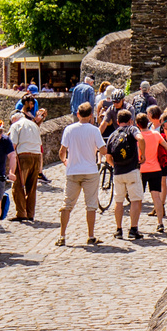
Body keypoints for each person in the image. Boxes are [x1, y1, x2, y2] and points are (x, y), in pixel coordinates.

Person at [57, 102, 107, 247]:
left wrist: (65, 161)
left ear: (78, 114)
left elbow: (62, 150)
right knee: (91, 205)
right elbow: (103, 150)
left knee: (67, 204)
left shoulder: (69, 129)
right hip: (90, 171)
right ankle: (91, 235)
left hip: (73, 171)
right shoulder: (94, 131)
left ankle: (62, 235)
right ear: (91, 115)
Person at [106, 109, 147, 239]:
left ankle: (118, 230)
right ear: (131, 120)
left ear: (117, 122)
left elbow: (108, 157)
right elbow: (140, 138)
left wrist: (115, 165)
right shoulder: (132, 129)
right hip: (132, 170)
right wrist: (143, 154)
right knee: (136, 200)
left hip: (118, 172)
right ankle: (133, 229)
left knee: (119, 201)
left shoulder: (113, 135)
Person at [138, 105, 167, 233]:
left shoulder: (138, 137)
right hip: (156, 168)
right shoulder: (156, 134)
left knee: (138, 198)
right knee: (156, 197)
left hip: (142, 169)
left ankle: (135, 225)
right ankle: (160, 222)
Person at [8, 104, 43, 222]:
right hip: (36, 156)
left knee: (17, 185)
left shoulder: (16, 125)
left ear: (14, 119)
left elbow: (12, 146)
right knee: (32, 187)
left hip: (23, 156)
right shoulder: (34, 125)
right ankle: (30, 213)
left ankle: (21, 212)